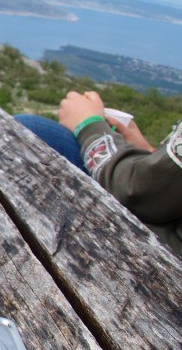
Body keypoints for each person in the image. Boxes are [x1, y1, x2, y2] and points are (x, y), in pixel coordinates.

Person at [17, 91, 182, 258]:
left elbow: (141, 195)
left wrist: (88, 124)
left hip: (164, 255)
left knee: (29, 131)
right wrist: (150, 154)